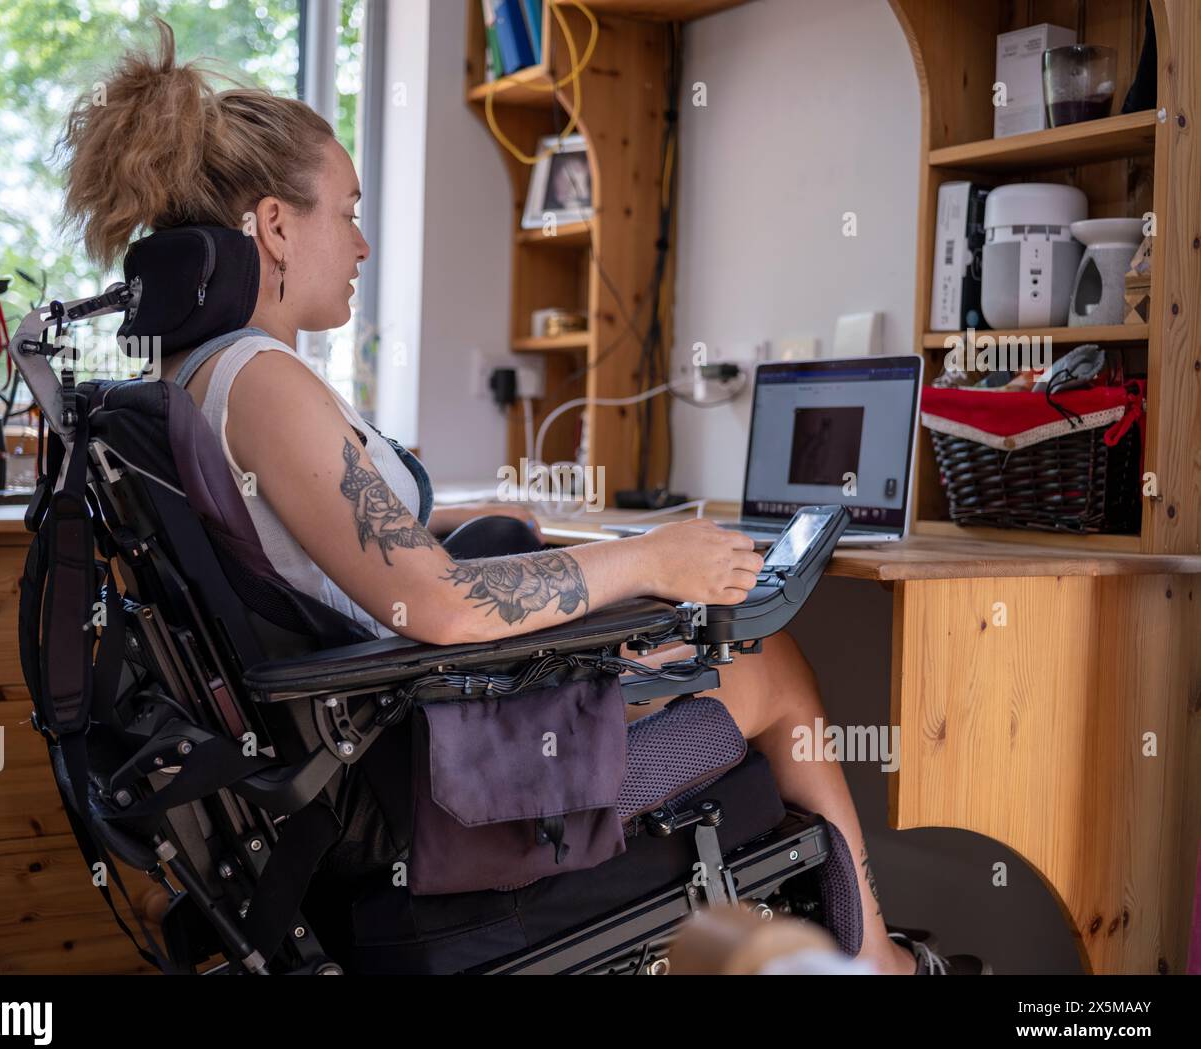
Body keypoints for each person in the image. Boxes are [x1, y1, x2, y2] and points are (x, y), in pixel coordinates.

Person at [60, 20, 983, 976]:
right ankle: (877, 962)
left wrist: (454, 526)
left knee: (682, 630)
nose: (363, 243)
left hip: (386, 737)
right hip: (431, 781)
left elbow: (311, 551)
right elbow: (444, 607)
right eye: (348, 211)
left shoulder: (199, 377)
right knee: (771, 660)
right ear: (276, 225)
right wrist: (653, 555)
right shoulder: (265, 383)